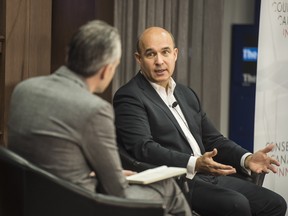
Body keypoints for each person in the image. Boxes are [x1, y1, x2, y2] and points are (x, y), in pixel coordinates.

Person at [7, 21, 192, 216]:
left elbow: (50, 152)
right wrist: (112, 176)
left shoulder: (23, 89)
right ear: (106, 70)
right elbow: (117, 191)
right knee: (169, 189)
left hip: (30, 199)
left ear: (71, 54)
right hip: (75, 203)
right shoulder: (95, 110)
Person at [113, 26, 287, 216]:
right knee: (237, 205)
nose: (159, 61)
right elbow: (143, 148)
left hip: (207, 176)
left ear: (175, 54)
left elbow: (214, 139)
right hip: (176, 182)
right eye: (150, 54)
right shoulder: (130, 96)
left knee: (275, 203)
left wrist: (246, 158)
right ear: (139, 59)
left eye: (165, 52)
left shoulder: (186, 94)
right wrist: (194, 163)